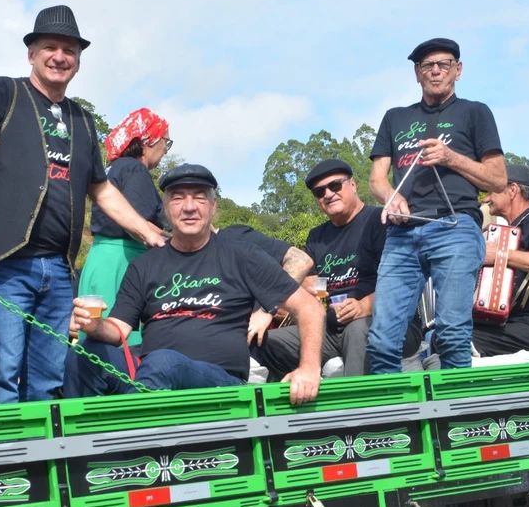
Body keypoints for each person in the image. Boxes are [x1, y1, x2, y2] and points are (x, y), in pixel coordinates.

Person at [0, 6, 166, 404]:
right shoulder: (4, 93)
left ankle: (40, 464)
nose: (59, 56)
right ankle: (7, 464)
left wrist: (146, 229)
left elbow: (101, 189)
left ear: (78, 61)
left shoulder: (81, 118)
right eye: (50, 47)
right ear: (32, 53)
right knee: (2, 379)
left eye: (69, 50)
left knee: (48, 380)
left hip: (60, 272)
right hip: (3, 264)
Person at [65, 164, 323, 404]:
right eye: (178, 197)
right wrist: (96, 326)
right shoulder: (144, 265)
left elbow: (310, 308)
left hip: (220, 382)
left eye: (199, 197)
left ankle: (138, 445)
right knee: (87, 352)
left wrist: (309, 369)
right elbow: (119, 329)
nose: (189, 207)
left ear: (213, 206)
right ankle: (81, 446)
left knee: (165, 363)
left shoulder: (242, 256)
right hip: (153, 373)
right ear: (166, 208)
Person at [367, 37, 507, 371]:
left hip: (455, 226)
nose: (435, 71)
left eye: (443, 64)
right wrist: (392, 197)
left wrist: (451, 157)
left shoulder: (475, 113)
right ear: (417, 74)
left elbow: (498, 179)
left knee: (452, 334)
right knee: (382, 340)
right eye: (426, 66)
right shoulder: (395, 117)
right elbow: (376, 179)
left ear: (457, 70)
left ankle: (456, 418)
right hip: (404, 233)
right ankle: (393, 420)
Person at [256, 158, 420, 378]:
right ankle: (291, 405)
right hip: (334, 329)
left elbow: (402, 281)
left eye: (335, 185)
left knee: (358, 328)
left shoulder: (381, 221)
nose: (328, 194)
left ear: (352, 185)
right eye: (319, 192)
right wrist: (319, 293)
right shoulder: (317, 236)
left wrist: (363, 306)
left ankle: (355, 409)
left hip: (390, 325)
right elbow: (317, 282)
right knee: (267, 341)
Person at [78, 109, 172, 346]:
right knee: (121, 343)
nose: (165, 151)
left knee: (93, 340)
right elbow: (138, 223)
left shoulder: (114, 168)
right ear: (148, 142)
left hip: (100, 259)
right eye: (166, 142)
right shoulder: (134, 169)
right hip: (123, 262)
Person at [471, 164, 529, 357]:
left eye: (492, 191)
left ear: (512, 190)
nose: (486, 198)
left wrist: (499, 255)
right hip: (514, 324)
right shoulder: (510, 231)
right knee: (448, 331)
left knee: (453, 340)